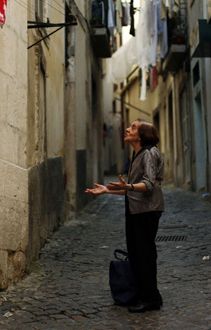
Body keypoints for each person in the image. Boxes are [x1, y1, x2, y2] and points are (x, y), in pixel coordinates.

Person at [86, 119, 164, 313]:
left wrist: (127, 186)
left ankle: (151, 299)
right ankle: (144, 294)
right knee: (136, 255)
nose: (128, 129)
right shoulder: (137, 153)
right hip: (136, 209)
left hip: (147, 210)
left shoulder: (149, 153)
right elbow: (132, 189)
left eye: (134, 127)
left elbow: (148, 185)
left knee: (144, 255)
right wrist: (107, 191)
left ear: (142, 135)